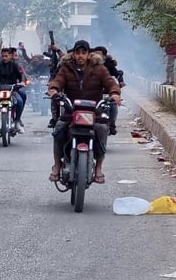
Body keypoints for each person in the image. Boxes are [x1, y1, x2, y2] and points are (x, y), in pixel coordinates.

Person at [46, 40, 121, 184]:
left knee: (102, 129)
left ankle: (98, 167)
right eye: (77, 53)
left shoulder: (99, 68)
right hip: (71, 111)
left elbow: (110, 82)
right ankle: (57, 165)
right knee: (59, 129)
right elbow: (58, 81)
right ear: (73, 55)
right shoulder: (66, 68)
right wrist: (54, 89)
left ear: (88, 54)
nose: (80, 56)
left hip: (95, 112)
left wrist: (115, 93)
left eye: (83, 52)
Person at [0, 47, 26, 134]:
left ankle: (17, 122)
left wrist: (22, 82)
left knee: (19, 101)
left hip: (12, 91)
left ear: (10, 56)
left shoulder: (15, 65)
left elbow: (21, 75)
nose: (4, 58)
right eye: (3, 56)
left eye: (6, 56)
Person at [92, 46, 124, 135]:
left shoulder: (107, 66)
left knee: (112, 104)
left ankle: (112, 124)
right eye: (95, 54)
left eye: (99, 55)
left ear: (104, 56)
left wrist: (115, 91)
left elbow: (112, 79)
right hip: (93, 93)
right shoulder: (88, 65)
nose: (97, 56)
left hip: (106, 92)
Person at [44, 42, 65, 128]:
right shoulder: (56, 66)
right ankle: (54, 118)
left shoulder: (70, 64)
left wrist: (57, 50)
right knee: (54, 98)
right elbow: (55, 77)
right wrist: (52, 86)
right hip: (57, 84)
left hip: (70, 89)